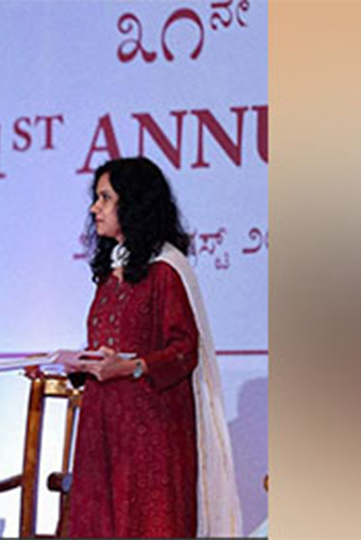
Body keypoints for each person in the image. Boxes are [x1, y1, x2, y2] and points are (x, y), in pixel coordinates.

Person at [54, 156, 242, 538]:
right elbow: (110, 347)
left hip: (150, 434)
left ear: (134, 203)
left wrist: (130, 367)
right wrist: (78, 366)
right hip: (102, 428)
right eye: (96, 198)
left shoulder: (166, 270)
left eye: (105, 198)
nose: (95, 208)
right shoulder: (111, 274)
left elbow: (183, 350)